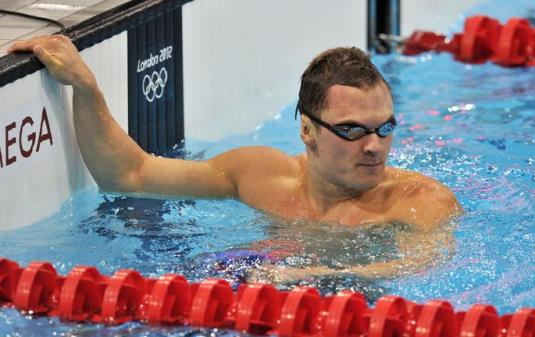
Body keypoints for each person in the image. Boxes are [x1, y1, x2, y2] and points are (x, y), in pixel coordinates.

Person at [8, 35, 462, 281]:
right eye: (352, 130)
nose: (374, 145)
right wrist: (86, 89)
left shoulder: (418, 201)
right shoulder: (259, 175)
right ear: (307, 131)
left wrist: (315, 272)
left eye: (385, 127)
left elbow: (423, 264)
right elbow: (128, 173)